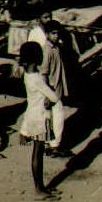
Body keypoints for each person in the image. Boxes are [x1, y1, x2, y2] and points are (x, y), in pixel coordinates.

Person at [18, 41, 61, 201]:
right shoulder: (37, 78)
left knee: (38, 152)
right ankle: (38, 189)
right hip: (40, 119)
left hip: (33, 116)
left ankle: (41, 187)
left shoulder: (28, 76)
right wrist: (50, 98)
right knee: (38, 153)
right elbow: (54, 97)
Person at [40, 20, 72, 158]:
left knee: (51, 118)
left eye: (58, 34)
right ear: (46, 34)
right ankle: (55, 147)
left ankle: (49, 144)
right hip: (52, 91)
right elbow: (43, 74)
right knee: (58, 118)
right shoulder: (47, 51)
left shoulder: (55, 47)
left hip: (55, 89)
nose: (56, 36)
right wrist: (47, 95)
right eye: (53, 34)